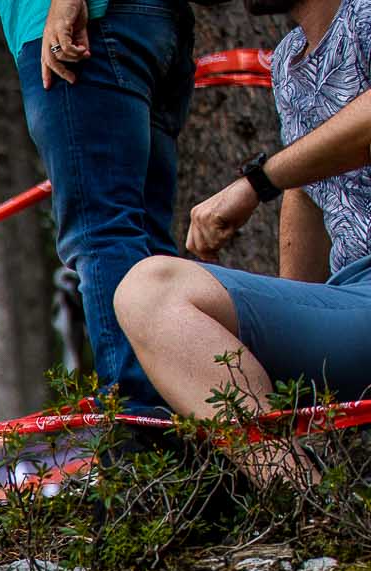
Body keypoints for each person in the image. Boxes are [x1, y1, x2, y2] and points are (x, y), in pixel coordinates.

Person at [115, 0, 371, 467]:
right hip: (354, 304)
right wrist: (292, 318)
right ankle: (300, 496)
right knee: (149, 293)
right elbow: (305, 191)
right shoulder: (288, 61)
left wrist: (257, 182)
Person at [0, 0, 197, 409]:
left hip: (85, 23)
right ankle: (179, 410)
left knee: (103, 232)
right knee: (146, 240)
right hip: (152, 22)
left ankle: (136, 416)